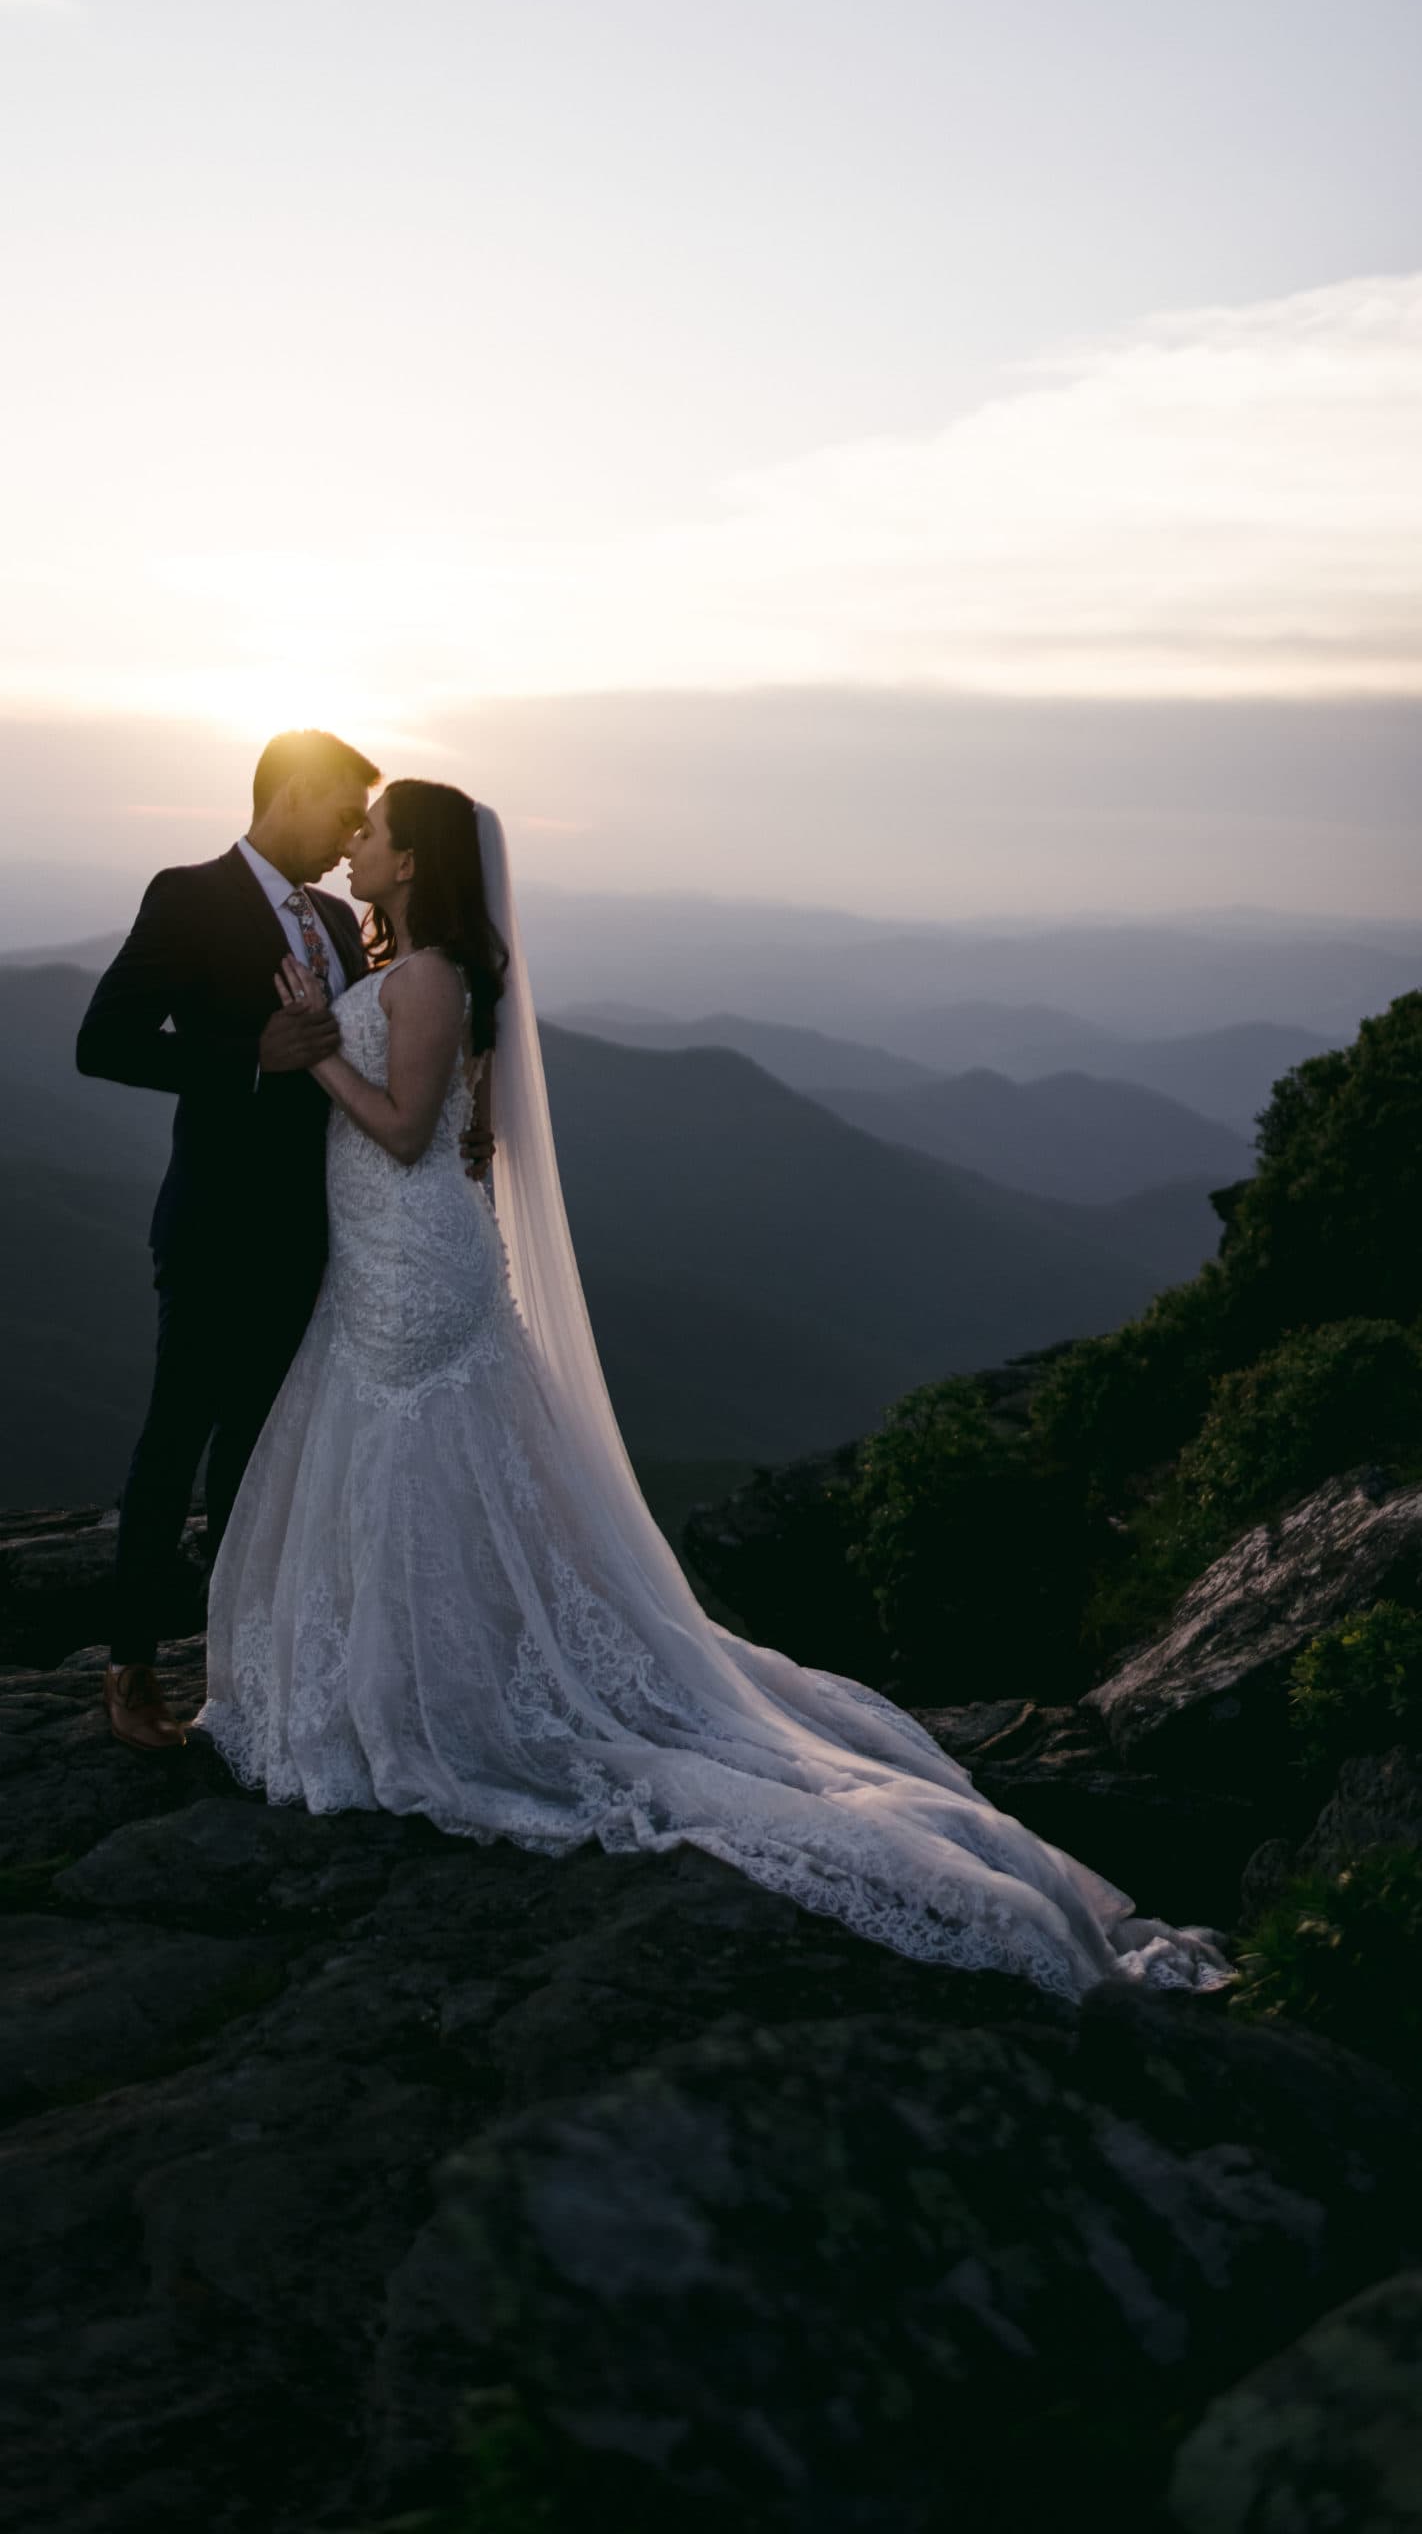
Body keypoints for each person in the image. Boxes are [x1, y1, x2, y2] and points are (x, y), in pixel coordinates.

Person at [196, 780, 1229, 2002]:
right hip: (393, 1257)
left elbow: (410, 1132)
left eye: (371, 834)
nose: (354, 848)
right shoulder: (433, 970)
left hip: (413, 1258)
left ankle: (439, 1681)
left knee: (421, 1457)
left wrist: (317, 1053)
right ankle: (430, 1658)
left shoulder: (425, 978)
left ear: (413, 861)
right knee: (421, 1464)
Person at [76, 729, 380, 1749]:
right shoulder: (189, 894)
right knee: (178, 1441)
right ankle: (129, 1671)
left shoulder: (340, 920)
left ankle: (242, 1672)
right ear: (290, 791)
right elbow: (104, 1040)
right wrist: (248, 1054)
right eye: (342, 810)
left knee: (262, 1453)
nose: (350, 837)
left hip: (316, 1231)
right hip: (214, 1223)